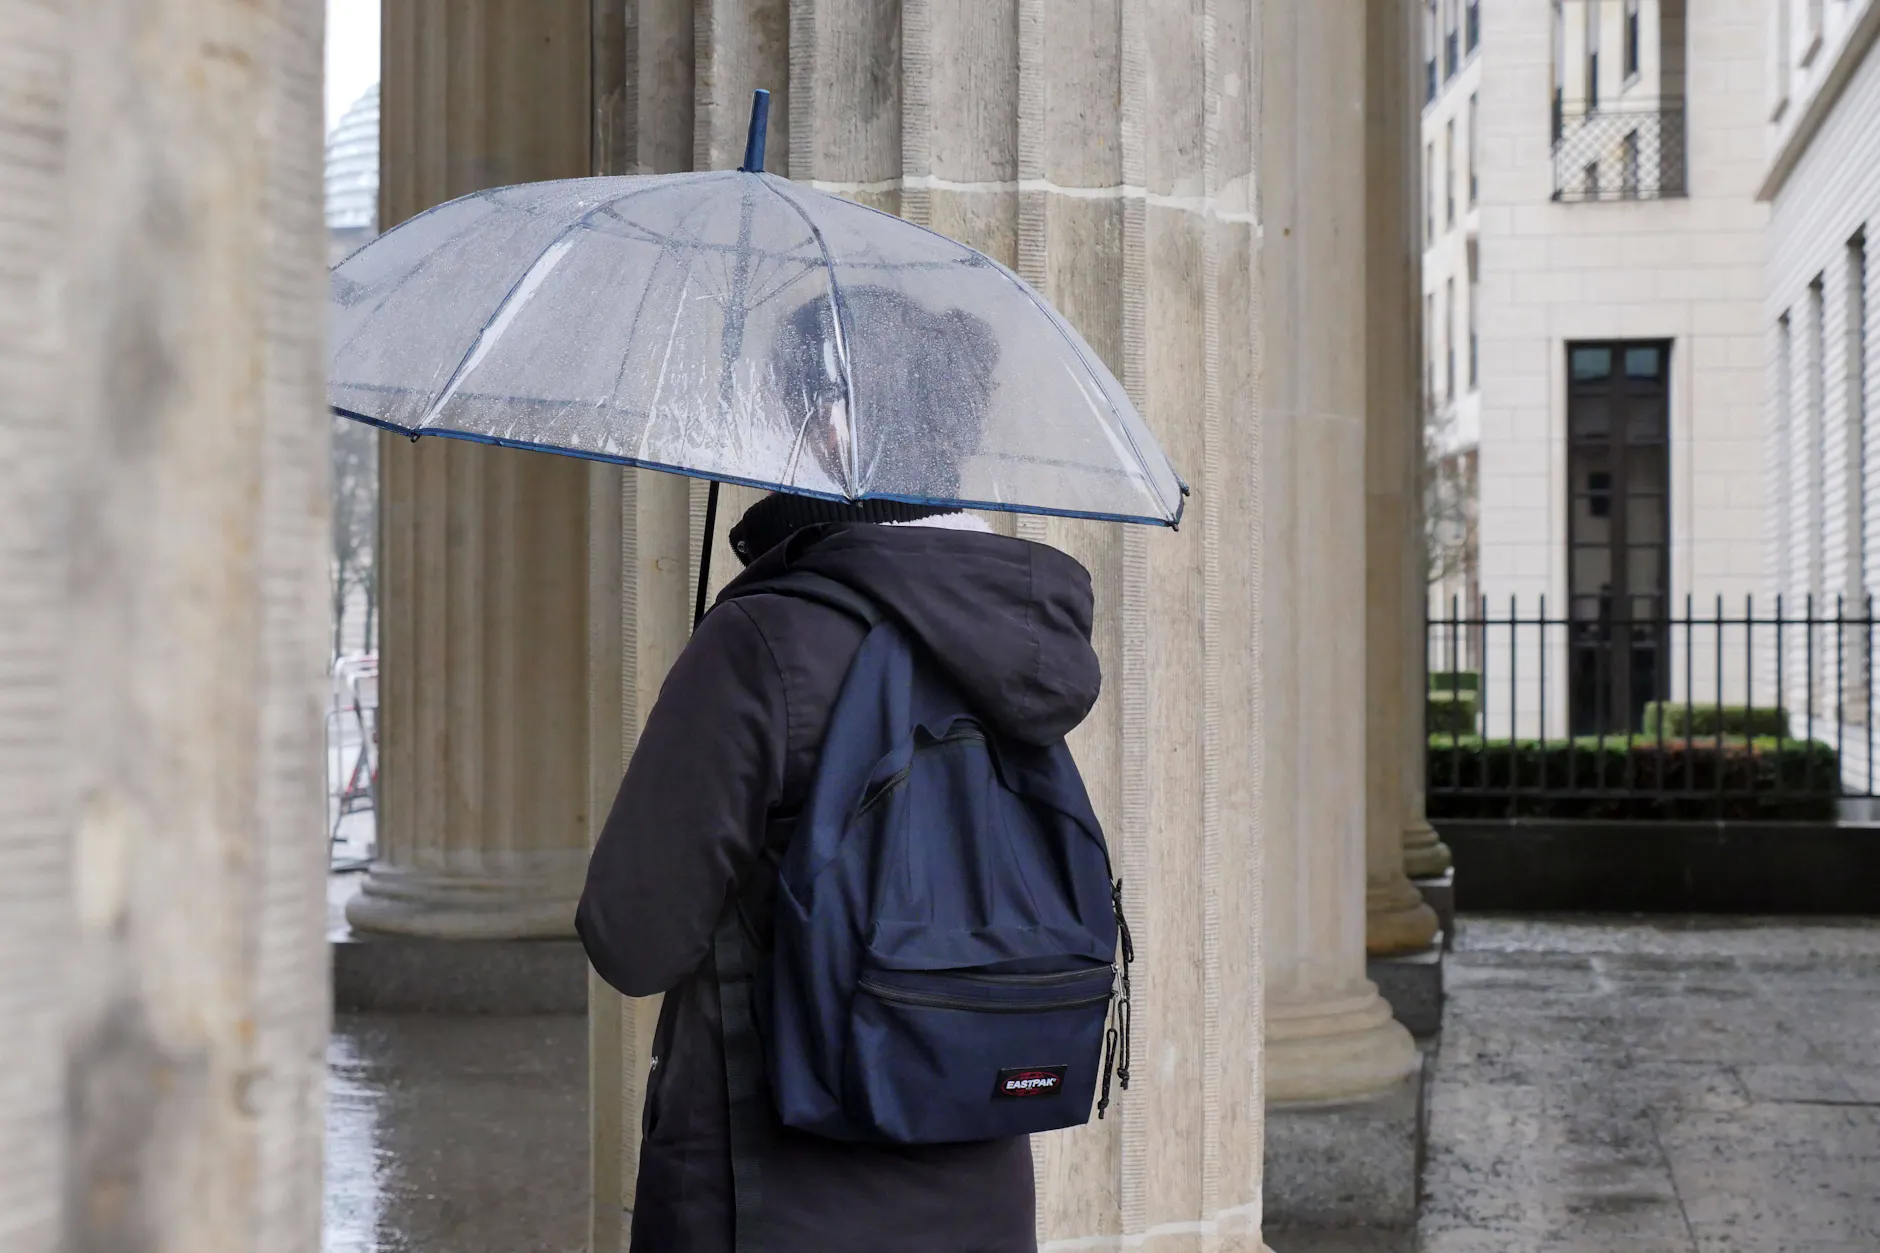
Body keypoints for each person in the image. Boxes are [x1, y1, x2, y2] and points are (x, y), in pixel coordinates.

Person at [576, 288, 1105, 1253]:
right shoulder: (1021, 637)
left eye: (789, 406)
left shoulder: (766, 639)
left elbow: (632, 936)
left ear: (830, 422)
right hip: (979, 1200)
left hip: (772, 1194)